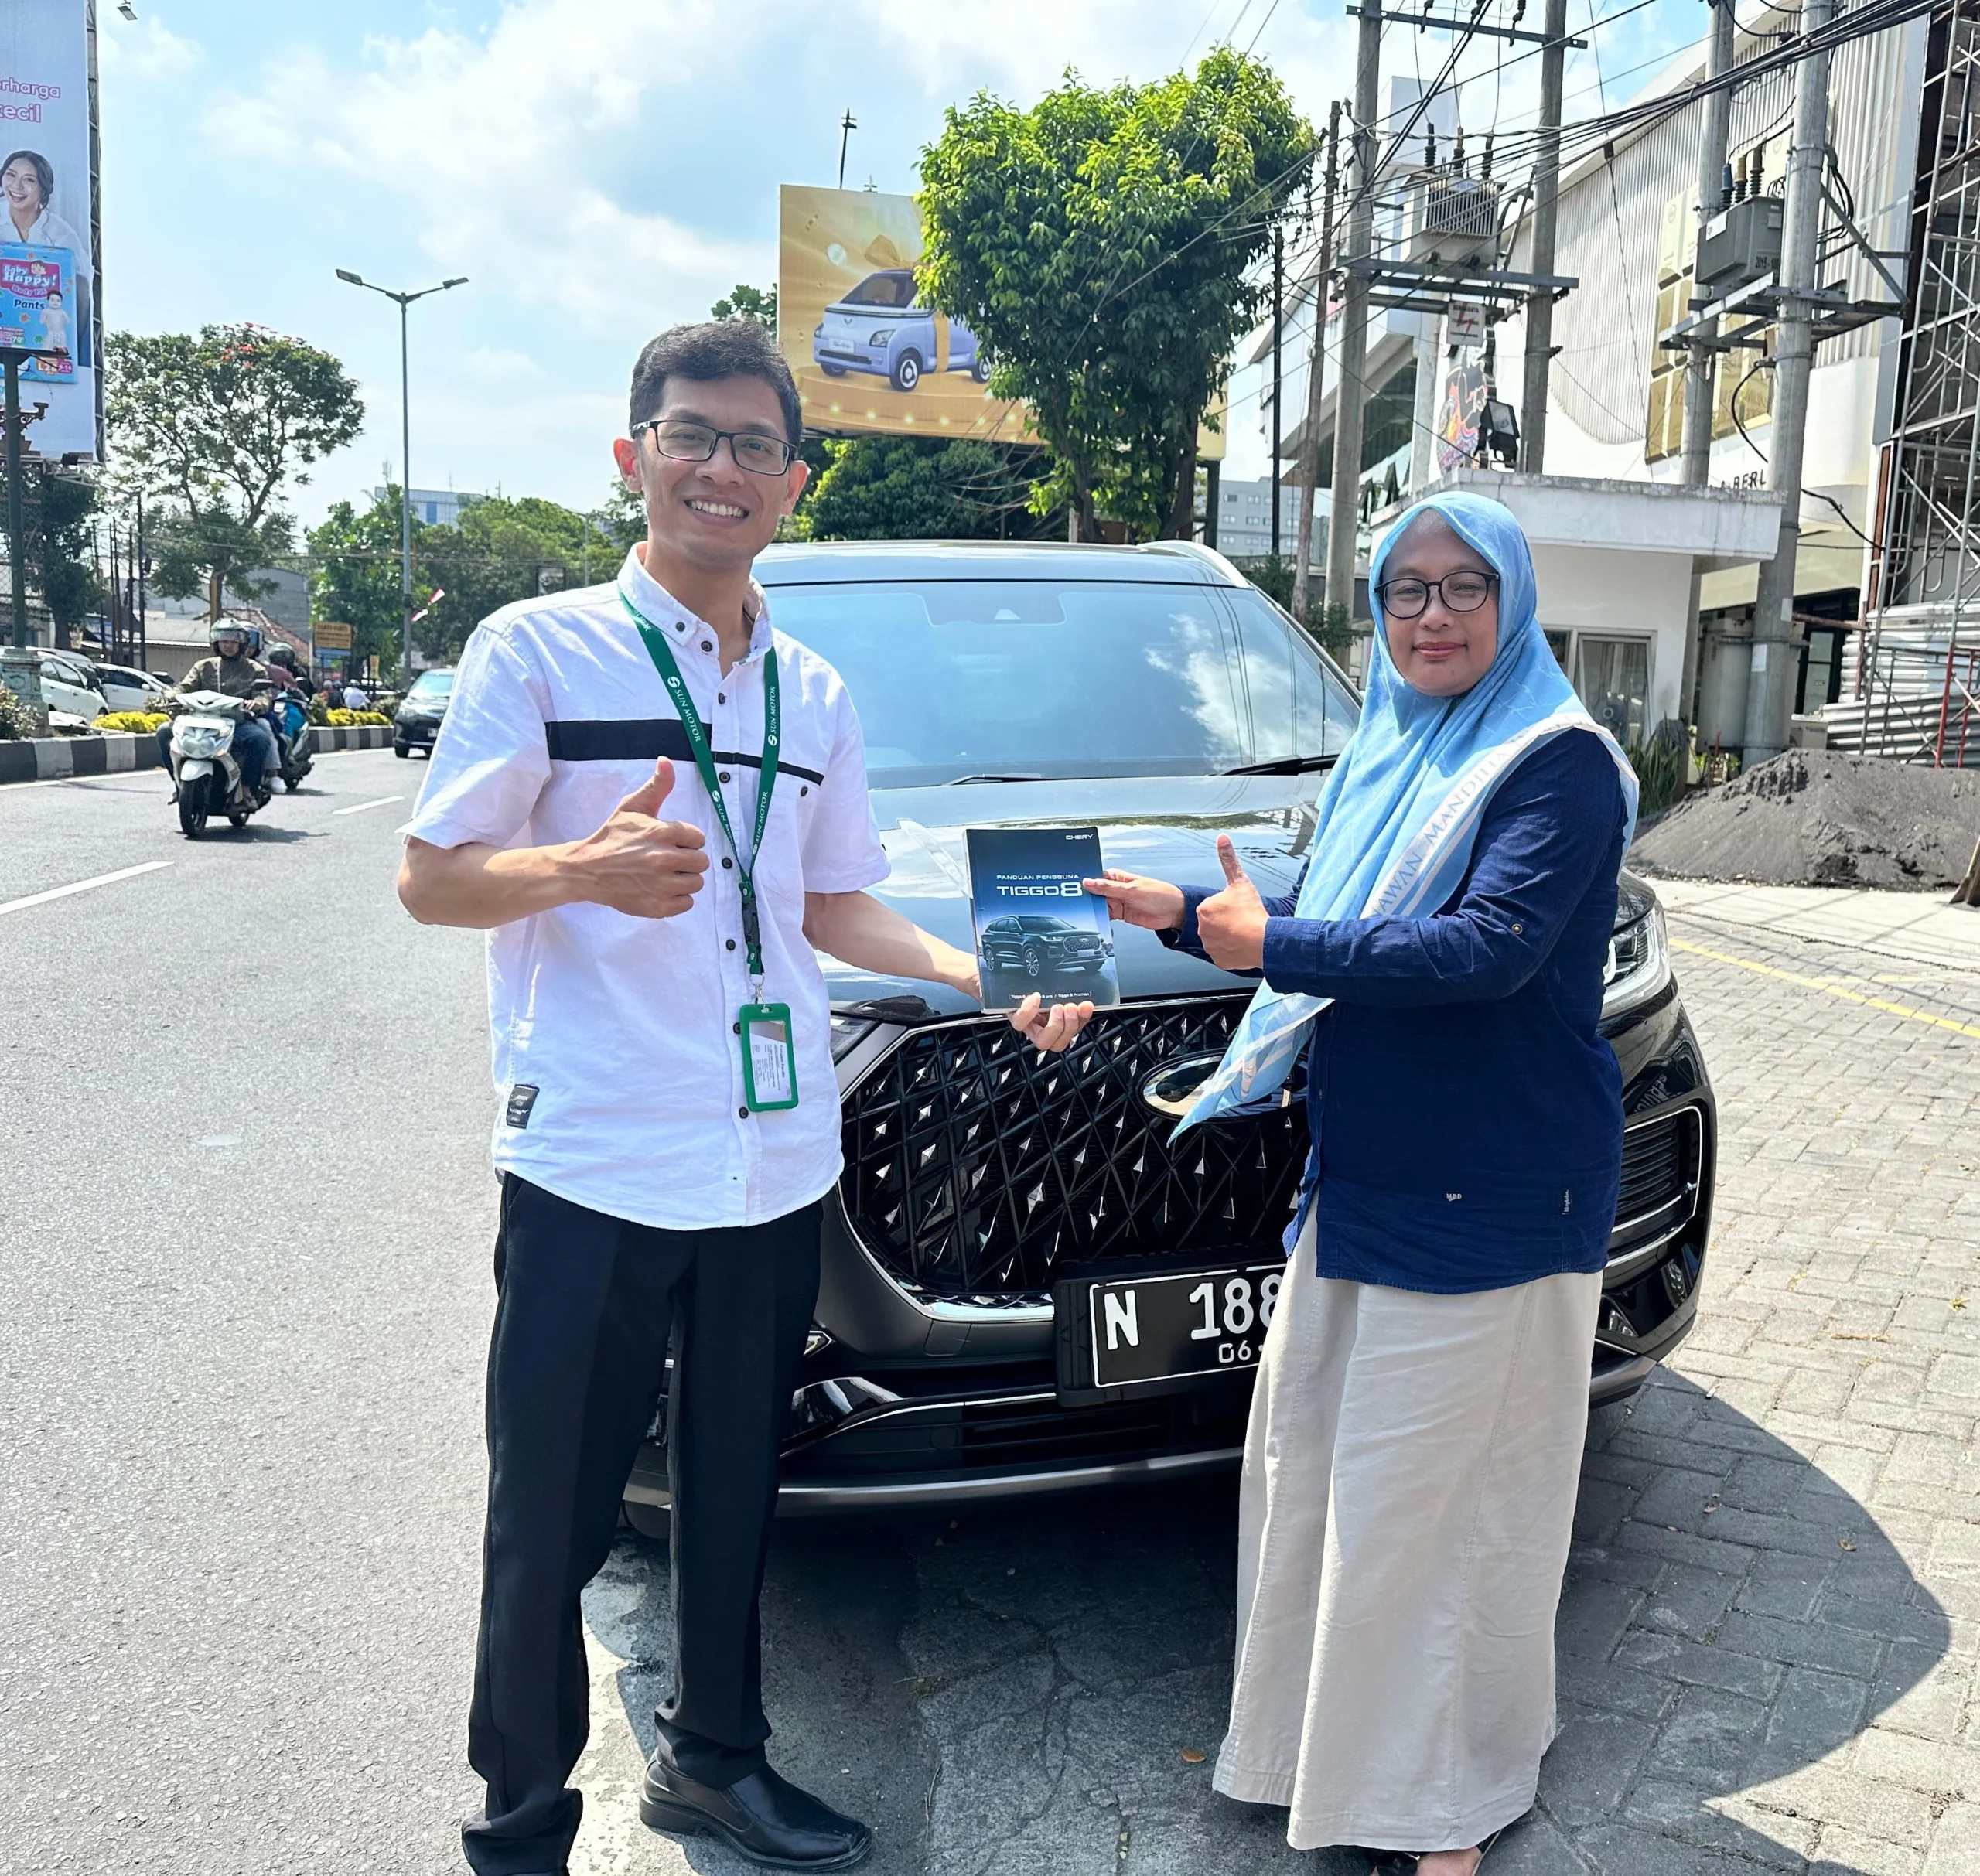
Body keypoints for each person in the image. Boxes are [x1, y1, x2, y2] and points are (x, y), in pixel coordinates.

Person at [397, 318, 1093, 1876]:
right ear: (633, 455)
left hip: (775, 1163)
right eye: (691, 437)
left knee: (731, 1489)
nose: (722, 468)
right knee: (555, 1514)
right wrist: (579, 866)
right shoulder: (538, 648)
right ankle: (515, 1821)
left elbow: (837, 906)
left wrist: (984, 968)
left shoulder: (817, 690)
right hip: (594, 1156)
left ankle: (714, 1760)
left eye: (753, 446)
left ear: (795, 477)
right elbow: (431, 877)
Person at [1086, 490, 1637, 1876]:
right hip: (1370, 1180)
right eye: (1406, 592)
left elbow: (1482, 948)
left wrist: (1269, 942)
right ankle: (1319, 1763)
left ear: (1512, 603)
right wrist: (1180, 907)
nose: (1433, 616)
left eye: (1464, 588)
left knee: (1440, 1518)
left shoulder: (1552, 761)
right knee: (1325, 1484)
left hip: (1496, 1201)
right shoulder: (1397, 747)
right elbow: (1341, 883)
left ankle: (1438, 1810)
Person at [157, 621, 278, 797]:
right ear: (216, 644)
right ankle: (178, 785)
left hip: (238, 722)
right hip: (200, 720)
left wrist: (258, 702)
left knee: (260, 740)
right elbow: (185, 687)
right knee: (163, 732)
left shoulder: (254, 669)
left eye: (232, 642)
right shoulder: (203, 666)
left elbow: (264, 695)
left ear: (241, 644)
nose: (228, 646)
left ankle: (246, 789)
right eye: (224, 642)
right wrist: (171, 695)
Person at [2, 150, 91, 364]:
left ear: (44, 188)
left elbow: (80, 291)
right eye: (11, 175)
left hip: (42, 335)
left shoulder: (62, 235)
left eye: (29, 180)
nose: (17, 186)